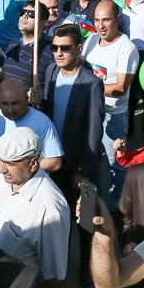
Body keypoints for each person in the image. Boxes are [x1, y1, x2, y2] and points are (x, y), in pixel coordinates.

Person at [0, 127, 70, 288]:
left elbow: (55, 278)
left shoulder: (50, 210)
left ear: (34, 163)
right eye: (0, 160)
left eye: (10, 163)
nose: (1, 169)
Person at [37, 24, 106, 197]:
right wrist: (39, 102)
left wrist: (84, 171)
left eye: (65, 48)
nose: (58, 53)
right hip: (51, 155)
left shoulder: (92, 83)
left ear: (79, 48)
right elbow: (49, 109)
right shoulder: (52, 70)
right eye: (54, 48)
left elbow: (94, 133)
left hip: (74, 162)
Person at [83, 0, 140, 196]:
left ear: (117, 19)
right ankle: (92, 198)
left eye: (106, 20)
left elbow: (121, 88)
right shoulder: (91, 40)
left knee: (115, 162)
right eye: (97, 20)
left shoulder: (127, 48)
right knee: (90, 157)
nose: (100, 26)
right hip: (90, 110)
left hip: (113, 116)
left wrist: (90, 89)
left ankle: (119, 205)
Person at [0, 78, 65, 172]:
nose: (10, 109)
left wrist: (23, 171)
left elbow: (55, 162)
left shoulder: (42, 122)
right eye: (4, 104)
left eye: (15, 103)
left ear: (26, 99)